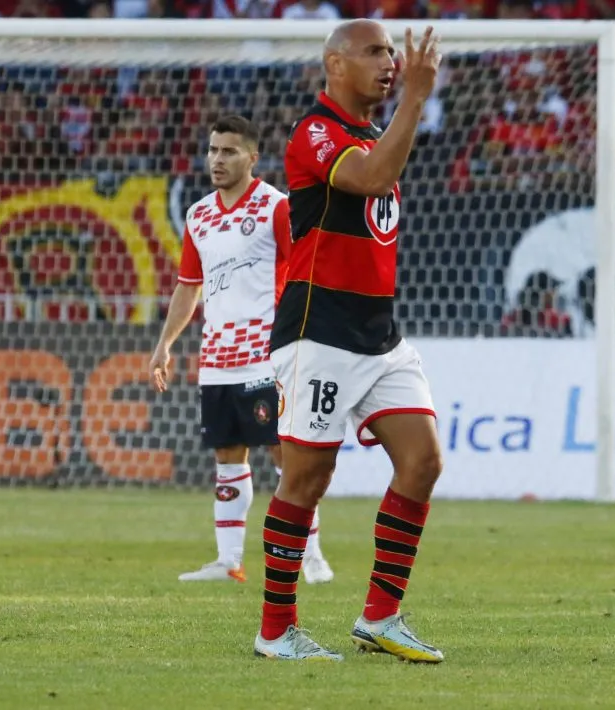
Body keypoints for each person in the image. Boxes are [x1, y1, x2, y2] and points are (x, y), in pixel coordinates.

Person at [253, 20, 444, 663]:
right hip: (319, 333)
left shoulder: (370, 133)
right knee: (307, 477)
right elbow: (368, 179)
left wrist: (406, 106)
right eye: (373, 52)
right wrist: (416, 98)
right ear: (335, 64)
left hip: (379, 335)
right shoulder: (315, 132)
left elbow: (379, 170)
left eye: (392, 52)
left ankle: (380, 620)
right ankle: (276, 631)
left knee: (422, 462)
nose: (388, 62)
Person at [149, 115, 334, 586]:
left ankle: (310, 555)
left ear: (252, 157)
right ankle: (228, 561)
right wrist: (164, 344)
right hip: (217, 356)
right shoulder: (199, 215)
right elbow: (189, 286)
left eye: (228, 151)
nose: (217, 159)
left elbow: (303, 272)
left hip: (266, 351)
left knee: (281, 454)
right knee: (227, 456)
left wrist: (303, 337)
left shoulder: (276, 207)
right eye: (213, 150)